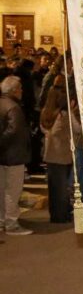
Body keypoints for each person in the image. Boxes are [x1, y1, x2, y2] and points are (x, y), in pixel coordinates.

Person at [40, 81, 79, 224]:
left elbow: (44, 130)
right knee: (62, 188)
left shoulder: (46, 112)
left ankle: (55, 214)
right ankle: (61, 215)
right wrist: (73, 112)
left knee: (53, 188)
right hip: (62, 156)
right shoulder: (64, 115)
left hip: (50, 154)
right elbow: (77, 130)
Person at [0, 75, 32, 235]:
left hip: (3, 155)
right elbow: (14, 131)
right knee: (13, 190)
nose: (21, 91)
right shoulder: (13, 107)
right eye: (19, 88)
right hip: (13, 154)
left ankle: (2, 220)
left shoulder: (2, 103)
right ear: (13, 90)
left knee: (2, 189)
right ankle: (11, 223)